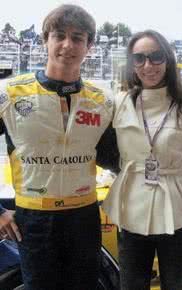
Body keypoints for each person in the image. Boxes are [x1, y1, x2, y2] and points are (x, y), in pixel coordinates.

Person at [0, 4, 119, 290]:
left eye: (78, 37)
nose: (68, 45)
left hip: (84, 218)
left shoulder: (102, 101)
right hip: (35, 220)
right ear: (45, 40)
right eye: (59, 35)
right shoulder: (10, 94)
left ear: (89, 46)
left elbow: (118, 160)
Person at [102, 30, 182, 290]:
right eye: (139, 58)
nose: (148, 66)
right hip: (131, 212)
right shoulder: (120, 103)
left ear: (168, 60)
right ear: (131, 63)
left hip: (180, 215)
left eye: (156, 57)